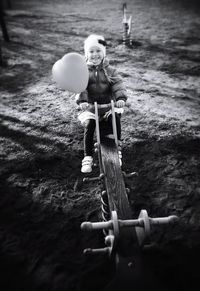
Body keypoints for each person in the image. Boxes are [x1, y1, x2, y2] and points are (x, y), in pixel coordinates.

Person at [76, 34, 128, 173]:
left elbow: (118, 84)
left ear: (103, 52)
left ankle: (117, 149)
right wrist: (83, 101)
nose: (95, 54)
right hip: (91, 107)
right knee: (89, 125)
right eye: (91, 51)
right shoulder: (84, 71)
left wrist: (120, 98)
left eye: (98, 51)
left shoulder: (110, 70)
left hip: (108, 105)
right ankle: (87, 156)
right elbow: (81, 87)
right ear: (87, 54)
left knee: (114, 119)